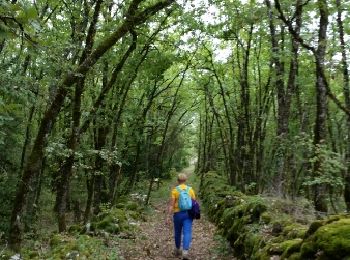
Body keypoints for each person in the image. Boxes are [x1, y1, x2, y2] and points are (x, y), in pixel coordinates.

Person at [166, 173, 196, 260]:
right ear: (185, 180)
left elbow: (171, 205)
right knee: (187, 232)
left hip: (178, 214)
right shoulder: (190, 190)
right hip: (188, 214)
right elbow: (194, 202)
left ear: (178, 180)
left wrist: (168, 216)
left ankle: (177, 250)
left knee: (177, 232)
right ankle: (185, 252)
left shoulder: (175, 190)